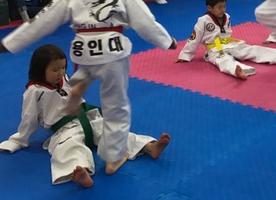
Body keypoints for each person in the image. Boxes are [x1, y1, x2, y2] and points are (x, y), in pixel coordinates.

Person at [0, 0, 177, 175]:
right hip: (113, 50)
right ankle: (113, 158)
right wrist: (167, 41)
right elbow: (145, 22)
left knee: (85, 72)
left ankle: (78, 87)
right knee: (116, 106)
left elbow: (43, 20)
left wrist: (10, 43)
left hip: (83, 50)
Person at [0, 44, 170, 188]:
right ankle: (81, 172)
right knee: (68, 148)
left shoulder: (64, 78)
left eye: (63, 68)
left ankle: (149, 147)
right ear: (40, 70)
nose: (60, 73)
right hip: (64, 129)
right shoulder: (34, 91)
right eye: (55, 70)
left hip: (88, 117)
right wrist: (19, 140)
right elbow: (29, 117)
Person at [177, 0, 276, 79]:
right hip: (215, 48)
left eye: (224, 6)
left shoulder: (227, 17)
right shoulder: (203, 20)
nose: (223, 10)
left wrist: (232, 43)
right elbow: (194, 38)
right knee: (223, 60)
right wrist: (186, 55)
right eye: (219, 7)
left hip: (230, 44)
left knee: (252, 50)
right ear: (209, 8)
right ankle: (238, 71)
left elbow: (227, 33)